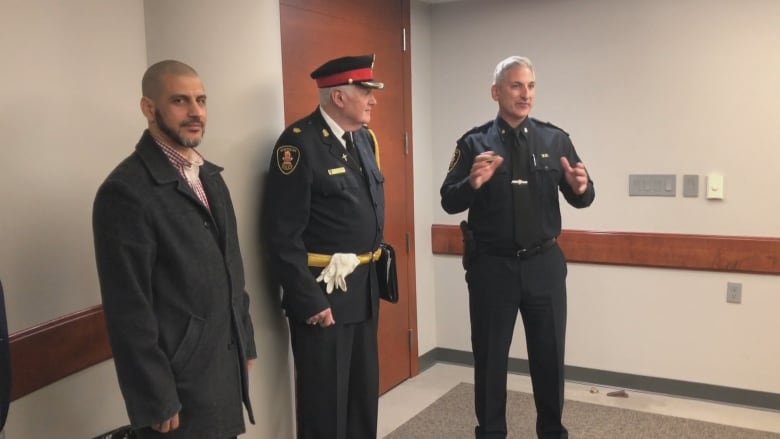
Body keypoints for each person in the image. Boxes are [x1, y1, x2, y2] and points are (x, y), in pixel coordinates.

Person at [92, 60, 256, 439]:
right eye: (180, 101)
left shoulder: (210, 178)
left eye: (201, 100)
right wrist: (155, 396)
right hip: (177, 388)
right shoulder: (127, 192)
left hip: (221, 365)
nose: (195, 111)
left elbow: (232, 268)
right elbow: (128, 308)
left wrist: (244, 338)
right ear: (149, 108)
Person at [440, 56, 595, 439]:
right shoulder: (473, 142)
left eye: (531, 86)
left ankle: (552, 432)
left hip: (544, 265)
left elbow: (581, 194)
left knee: (549, 360)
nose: (525, 94)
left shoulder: (554, 139)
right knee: (490, 362)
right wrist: (472, 183)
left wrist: (583, 188)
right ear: (496, 92)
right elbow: (448, 199)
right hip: (493, 269)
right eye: (516, 86)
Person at [264, 54, 385, 439]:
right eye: (365, 91)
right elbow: (282, 235)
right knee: (325, 406)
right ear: (338, 96)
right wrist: (309, 300)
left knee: (363, 399)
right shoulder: (298, 146)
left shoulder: (364, 140)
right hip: (325, 298)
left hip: (363, 290)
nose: (373, 99)